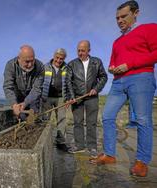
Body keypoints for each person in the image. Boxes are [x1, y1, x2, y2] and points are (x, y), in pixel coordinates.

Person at [92, 0, 157, 177]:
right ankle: (110, 154)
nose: (119, 20)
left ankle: (142, 161)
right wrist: (112, 67)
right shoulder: (116, 41)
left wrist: (130, 64)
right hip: (118, 81)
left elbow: (155, 53)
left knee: (143, 120)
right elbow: (113, 60)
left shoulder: (149, 28)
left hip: (141, 78)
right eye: (117, 18)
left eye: (123, 16)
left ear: (136, 13)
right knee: (107, 116)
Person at [65, 40, 108, 157]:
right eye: (78, 50)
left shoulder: (96, 62)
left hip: (92, 97)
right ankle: (79, 146)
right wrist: (72, 97)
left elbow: (104, 77)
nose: (80, 53)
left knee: (91, 123)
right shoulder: (72, 64)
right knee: (77, 122)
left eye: (82, 51)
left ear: (89, 50)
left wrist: (96, 89)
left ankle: (92, 146)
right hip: (77, 98)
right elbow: (68, 82)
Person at [3, 45, 44, 120]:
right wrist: (14, 104)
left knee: (34, 118)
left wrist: (26, 102)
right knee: (21, 117)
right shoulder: (10, 65)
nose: (30, 64)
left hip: (33, 97)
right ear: (19, 59)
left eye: (32, 60)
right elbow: (8, 87)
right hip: (18, 97)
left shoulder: (40, 66)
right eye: (27, 61)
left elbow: (37, 89)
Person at [41, 48, 68, 144]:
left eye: (61, 58)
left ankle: (60, 141)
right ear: (53, 56)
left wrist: (68, 98)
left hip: (61, 98)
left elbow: (69, 84)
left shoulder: (67, 68)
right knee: (45, 119)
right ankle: (44, 141)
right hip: (46, 97)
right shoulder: (45, 67)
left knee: (61, 119)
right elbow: (40, 82)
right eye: (57, 57)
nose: (59, 60)